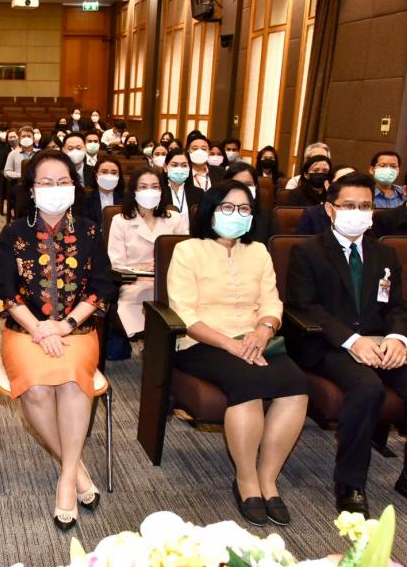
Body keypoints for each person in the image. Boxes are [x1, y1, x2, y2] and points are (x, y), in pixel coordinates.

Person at [168, 180, 310, 526]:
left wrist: (263, 330)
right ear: (211, 211)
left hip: (256, 340)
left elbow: (272, 301)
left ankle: (268, 478)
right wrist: (231, 344)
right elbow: (184, 313)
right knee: (247, 382)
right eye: (228, 208)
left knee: (296, 384)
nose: (236, 215)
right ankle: (246, 479)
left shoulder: (258, 251)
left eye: (244, 209)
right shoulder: (188, 251)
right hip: (203, 343)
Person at [0, 150, 115, 531]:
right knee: (36, 389)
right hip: (24, 331)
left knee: (74, 381)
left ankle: (66, 479)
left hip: (77, 331)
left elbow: (102, 288)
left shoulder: (90, 231)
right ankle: (75, 468)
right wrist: (39, 328)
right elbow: (6, 293)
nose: (55, 188)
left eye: (62, 181)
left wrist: (64, 325)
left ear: (74, 187)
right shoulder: (13, 233)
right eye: (46, 182)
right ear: (32, 189)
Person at [285, 171, 407, 515]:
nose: (358, 212)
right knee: (367, 388)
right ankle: (350, 483)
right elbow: (305, 307)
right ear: (330, 209)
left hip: (380, 342)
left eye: (365, 206)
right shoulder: (307, 251)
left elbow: (397, 306)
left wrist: (397, 338)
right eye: (349, 205)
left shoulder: (384, 254)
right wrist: (353, 341)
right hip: (327, 344)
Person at [108, 168, 186, 337]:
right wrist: (143, 268)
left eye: (154, 187)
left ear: (161, 190)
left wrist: (163, 266)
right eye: (143, 187)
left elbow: (187, 256)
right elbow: (117, 264)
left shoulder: (175, 218)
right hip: (135, 284)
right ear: (134, 191)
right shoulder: (120, 221)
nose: (149, 191)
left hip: (170, 283)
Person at [296, 166, 356, 235]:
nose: (349, 188)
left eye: (354, 183)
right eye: (341, 182)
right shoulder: (312, 214)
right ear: (327, 185)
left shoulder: (364, 214)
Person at [224, 162, 271, 243]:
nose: (243, 188)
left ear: (255, 186)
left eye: (248, 184)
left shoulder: (266, 215)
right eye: (237, 184)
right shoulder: (216, 212)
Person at [83, 154, 125, 226]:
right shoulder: (86, 199)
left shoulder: (127, 199)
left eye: (114, 173)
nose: (109, 175)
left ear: (119, 176)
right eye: (104, 172)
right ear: (96, 175)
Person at [164, 148, 203, 224]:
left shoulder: (199, 193)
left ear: (189, 168)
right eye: (174, 165)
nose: (179, 169)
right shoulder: (160, 192)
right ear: (165, 167)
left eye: (184, 165)